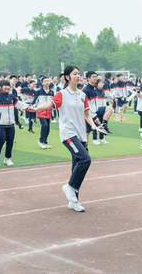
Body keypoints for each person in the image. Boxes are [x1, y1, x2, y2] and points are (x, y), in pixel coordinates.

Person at [28, 65, 98, 212]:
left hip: (80, 134)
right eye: (75, 74)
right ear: (67, 77)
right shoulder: (62, 94)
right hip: (68, 134)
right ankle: (69, 187)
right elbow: (50, 104)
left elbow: (86, 114)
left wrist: (93, 125)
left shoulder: (82, 95)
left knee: (77, 166)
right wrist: (36, 109)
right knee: (86, 159)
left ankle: (74, 201)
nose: (78, 76)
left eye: (79, 74)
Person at [0, 79, 28, 167]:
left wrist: (28, 107)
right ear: (1, 87)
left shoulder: (12, 97)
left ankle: (8, 158)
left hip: (10, 124)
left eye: (8, 85)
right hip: (0, 124)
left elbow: (20, 104)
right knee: (1, 140)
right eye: (5, 85)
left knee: (10, 141)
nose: (7, 87)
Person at [33, 76, 55, 149]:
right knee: (44, 125)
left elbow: (53, 102)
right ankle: (40, 141)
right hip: (41, 111)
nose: (47, 82)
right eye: (45, 81)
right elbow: (35, 101)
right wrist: (33, 108)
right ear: (42, 82)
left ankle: (45, 142)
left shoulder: (51, 92)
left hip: (49, 111)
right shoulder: (39, 92)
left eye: (48, 81)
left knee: (48, 127)